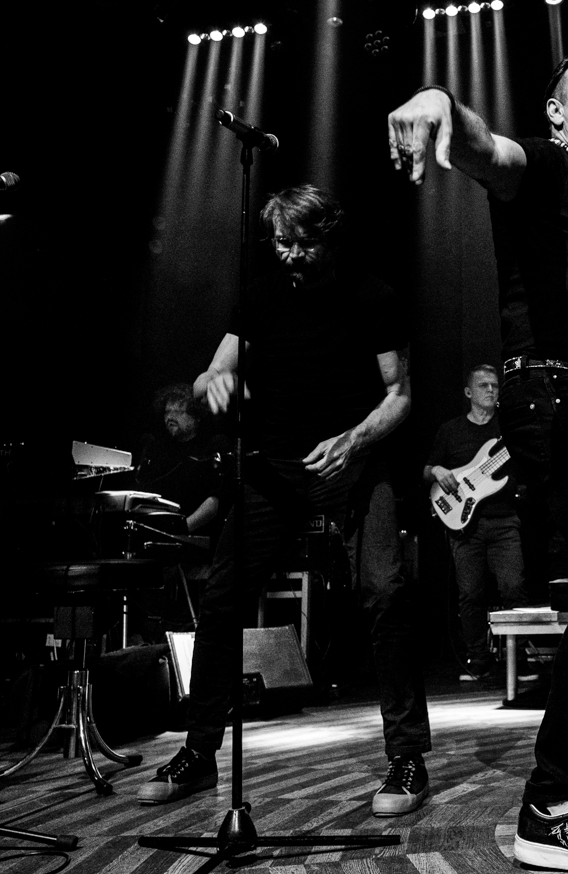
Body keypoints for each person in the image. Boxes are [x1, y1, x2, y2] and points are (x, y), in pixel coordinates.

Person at [388, 49, 568, 873]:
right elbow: (491, 154)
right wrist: (443, 104)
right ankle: (554, 801)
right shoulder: (547, 163)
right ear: (557, 111)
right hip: (559, 388)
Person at [137, 185, 433, 818]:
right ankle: (199, 752)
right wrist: (214, 384)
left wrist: (354, 439)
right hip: (274, 466)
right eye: (281, 243)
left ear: (330, 238)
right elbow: (211, 373)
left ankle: (407, 756)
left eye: (303, 244)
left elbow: (400, 396)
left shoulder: (372, 296)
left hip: (355, 461)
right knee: (221, 599)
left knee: (385, 591)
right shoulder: (262, 296)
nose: (291, 255)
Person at [425, 363, 529, 681]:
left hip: (504, 520)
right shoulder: (451, 430)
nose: (491, 390)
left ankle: (518, 660)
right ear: (468, 392)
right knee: (470, 594)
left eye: (495, 385)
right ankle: (478, 659)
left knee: (513, 588)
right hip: (463, 524)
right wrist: (436, 470)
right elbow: (427, 470)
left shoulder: (509, 428)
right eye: (484, 385)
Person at [135, 383, 228, 537]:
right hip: (155, 533)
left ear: (196, 416)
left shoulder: (210, 448)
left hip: (193, 536)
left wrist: (181, 530)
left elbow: (216, 500)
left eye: (178, 412)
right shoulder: (158, 450)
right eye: (167, 412)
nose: (170, 417)